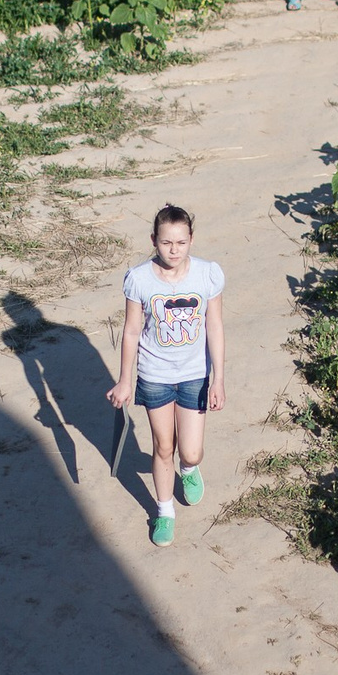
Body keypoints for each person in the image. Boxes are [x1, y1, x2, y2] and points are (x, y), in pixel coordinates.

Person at [106, 204, 225, 545]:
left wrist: (218, 378)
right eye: (166, 243)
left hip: (194, 374)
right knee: (163, 447)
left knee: (189, 451)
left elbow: (214, 327)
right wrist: (126, 380)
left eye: (181, 243)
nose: (174, 250)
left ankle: (188, 470)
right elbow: (131, 331)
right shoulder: (139, 279)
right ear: (153, 241)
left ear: (191, 240)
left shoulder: (207, 275)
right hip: (154, 375)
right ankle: (164, 511)